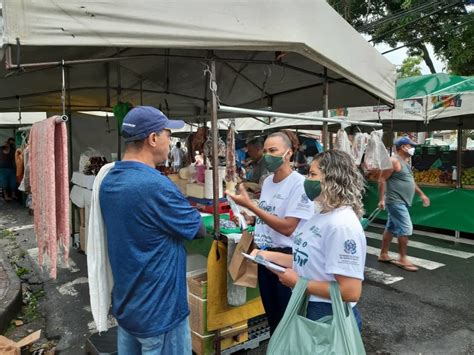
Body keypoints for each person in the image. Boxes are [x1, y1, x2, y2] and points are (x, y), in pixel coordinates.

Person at [99, 106, 205, 354]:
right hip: (160, 313)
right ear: (153, 138)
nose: (170, 141)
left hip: (128, 307)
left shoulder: (108, 180)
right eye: (168, 134)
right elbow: (197, 228)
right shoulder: (156, 185)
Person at [253, 150, 366, 331]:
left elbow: (350, 291)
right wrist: (268, 256)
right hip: (308, 305)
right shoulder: (319, 213)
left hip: (327, 315)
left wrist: (298, 283)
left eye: (313, 174)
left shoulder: (342, 226)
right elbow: (311, 260)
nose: (307, 179)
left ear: (333, 179)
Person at [226, 130, 314, 334]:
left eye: (273, 150)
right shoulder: (267, 182)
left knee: (289, 322)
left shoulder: (299, 184)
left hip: (287, 259)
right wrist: (251, 217)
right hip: (265, 257)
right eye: (265, 151)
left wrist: (252, 206)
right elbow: (268, 213)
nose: (268, 155)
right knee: (273, 318)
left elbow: (288, 226)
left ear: (289, 153)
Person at [377, 136, 430, 272]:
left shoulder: (406, 162)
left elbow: (410, 182)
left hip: (403, 201)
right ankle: (402, 258)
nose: (413, 148)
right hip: (395, 201)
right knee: (406, 228)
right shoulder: (393, 160)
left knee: (391, 228)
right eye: (410, 145)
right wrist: (381, 199)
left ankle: (383, 254)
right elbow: (382, 179)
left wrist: (421, 194)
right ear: (402, 147)